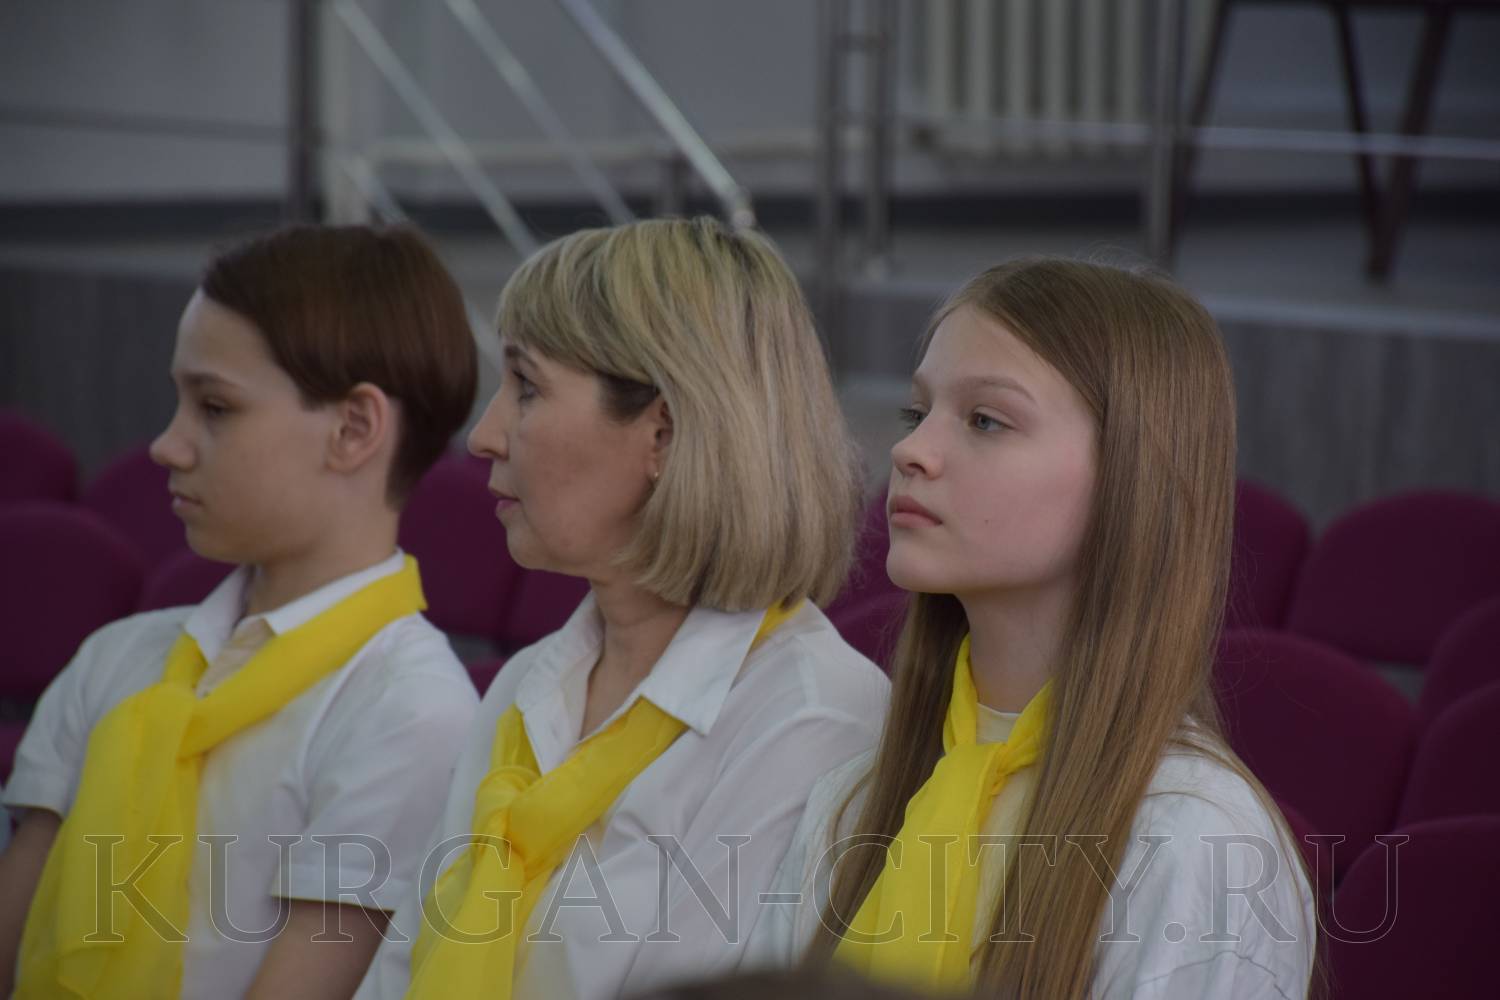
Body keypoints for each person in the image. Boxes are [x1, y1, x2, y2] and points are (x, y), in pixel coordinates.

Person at [751, 257, 1318, 998]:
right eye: (918, 413)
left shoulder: (1194, 841)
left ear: (1131, 476)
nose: (909, 450)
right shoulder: (852, 799)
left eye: (986, 420)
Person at [356, 217, 890, 1000]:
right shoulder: (531, 685)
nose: (485, 435)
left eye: (526, 387)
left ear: (663, 434)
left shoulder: (813, 720)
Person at [0, 224, 481, 999]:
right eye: (180, 402)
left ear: (353, 429)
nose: (168, 445)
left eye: (215, 407)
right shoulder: (119, 657)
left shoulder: (409, 710)